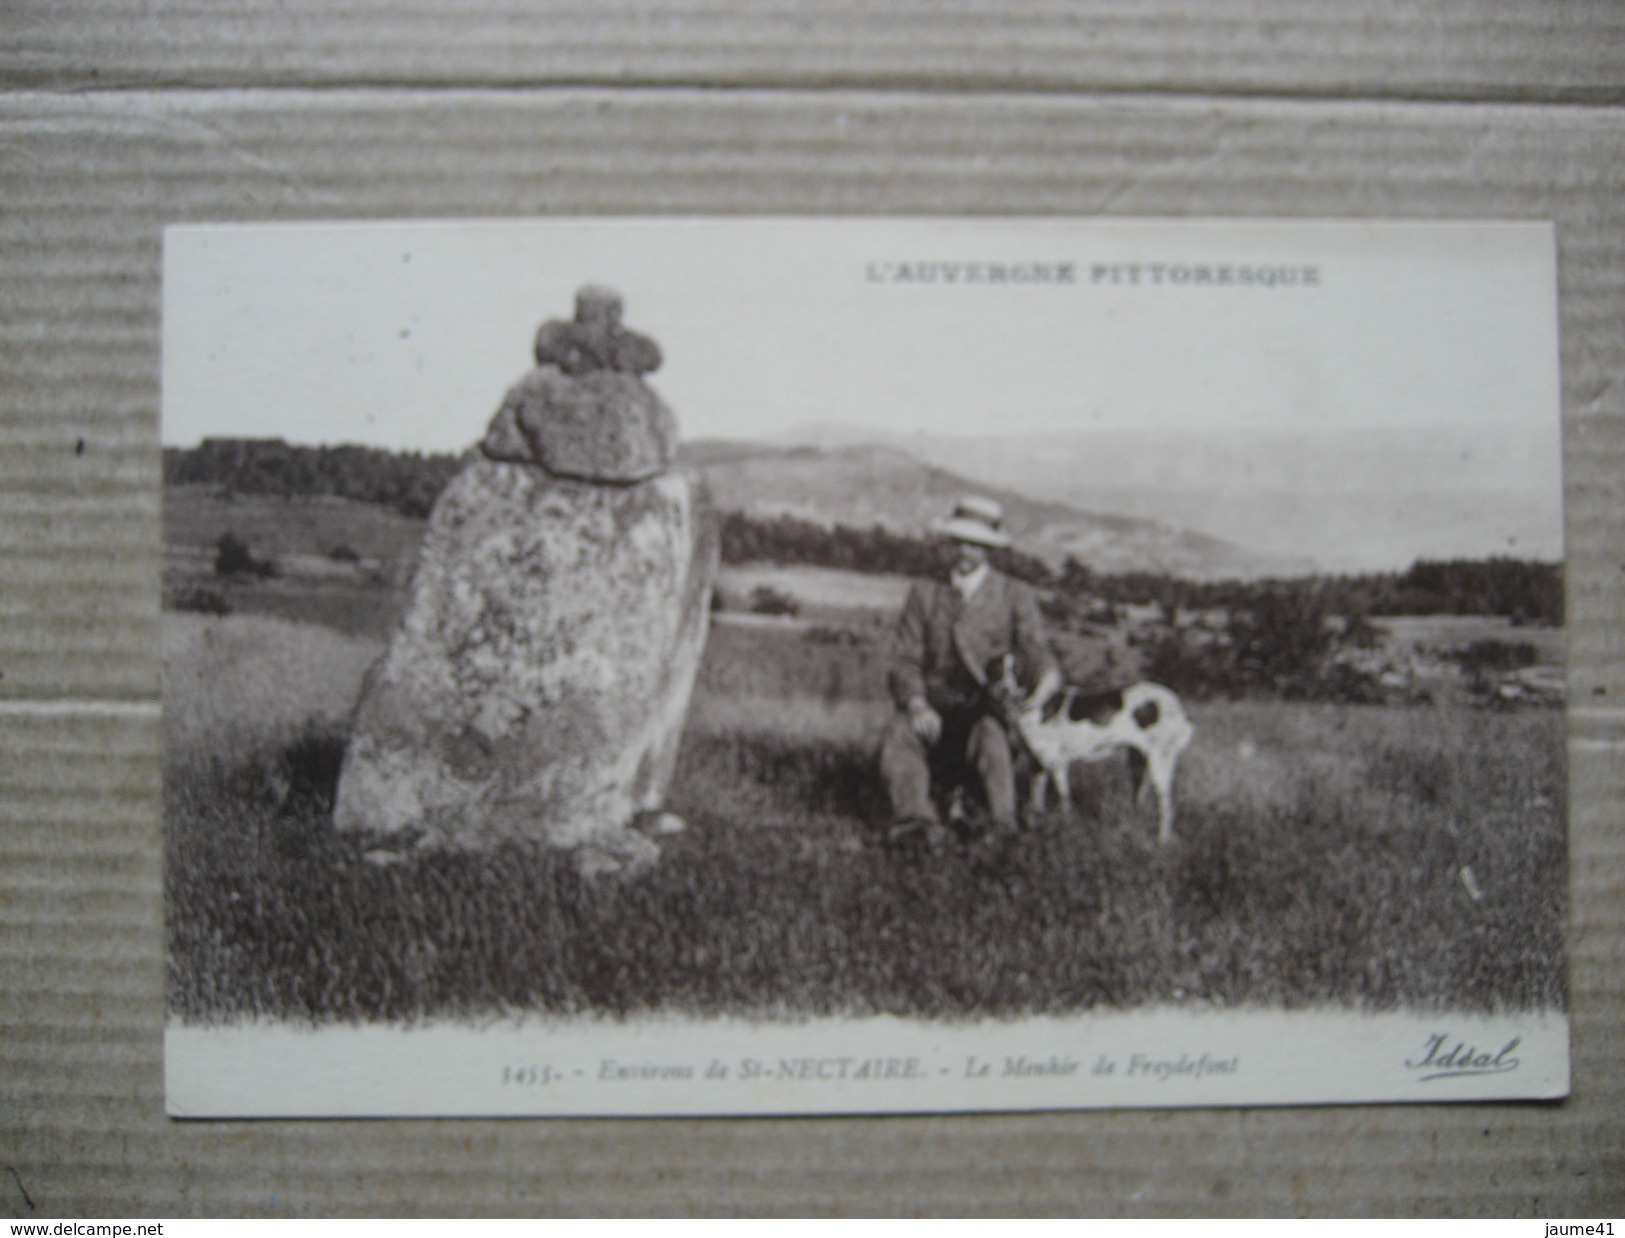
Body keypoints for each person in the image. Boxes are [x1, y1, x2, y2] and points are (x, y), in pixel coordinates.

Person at [879, 497, 1060, 848]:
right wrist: (916, 704)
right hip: (935, 706)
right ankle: (916, 823)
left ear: (989, 549)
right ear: (947, 544)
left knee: (990, 737)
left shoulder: (1013, 594)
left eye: (976, 545)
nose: (965, 552)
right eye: (958, 542)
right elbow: (904, 659)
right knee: (899, 734)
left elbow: (1036, 650)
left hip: (986, 707)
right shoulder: (925, 593)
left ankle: (1001, 825)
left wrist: (1043, 685)